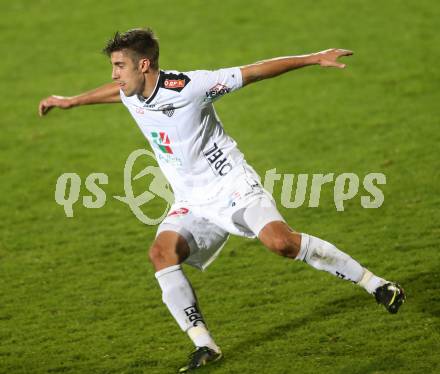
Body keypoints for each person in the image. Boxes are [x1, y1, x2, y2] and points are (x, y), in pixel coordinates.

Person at [39, 28, 405, 373]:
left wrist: (313, 58)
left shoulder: (190, 87)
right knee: (161, 254)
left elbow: (254, 72)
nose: (115, 76)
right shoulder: (130, 91)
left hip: (232, 186)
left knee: (282, 244)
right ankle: (205, 345)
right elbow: (113, 92)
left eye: (119, 66)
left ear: (144, 65)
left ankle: (376, 284)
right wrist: (71, 101)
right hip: (191, 201)